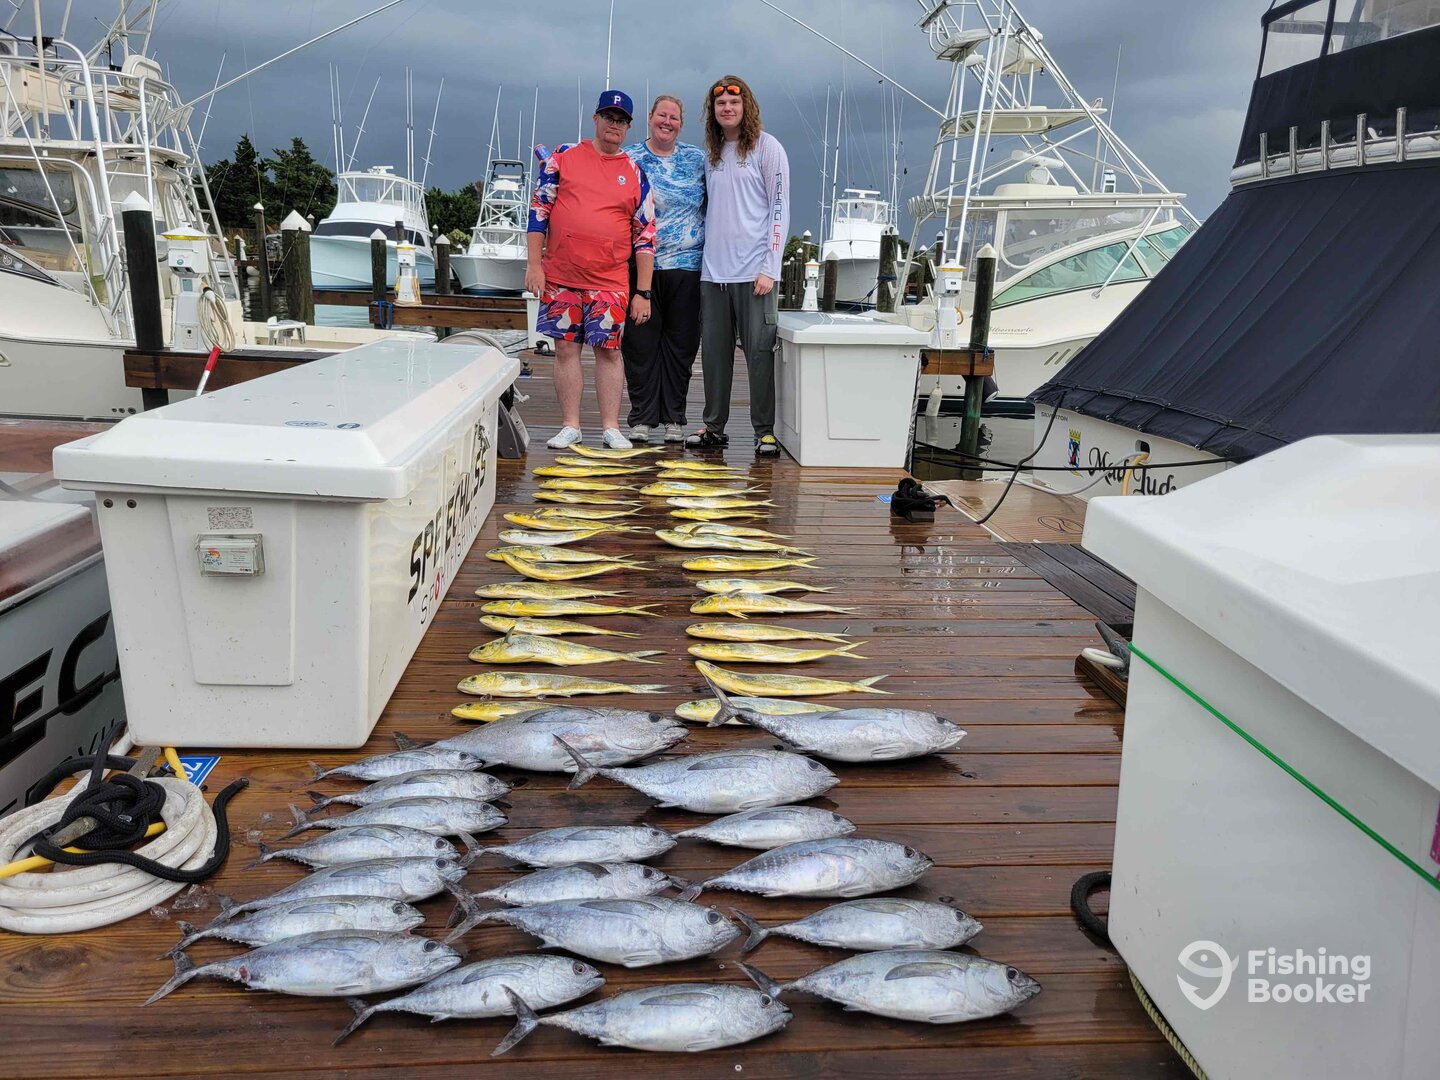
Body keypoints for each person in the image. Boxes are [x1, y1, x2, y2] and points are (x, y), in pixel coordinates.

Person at [527, 89, 656, 450]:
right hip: (561, 276)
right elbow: (539, 211)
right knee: (565, 349)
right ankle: (571, 425)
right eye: (608, 117)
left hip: (610, 281)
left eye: (621, 120)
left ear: (628, 127)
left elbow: (646, 235)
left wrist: (643, 293)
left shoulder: (635, 172)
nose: (614, 124)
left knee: (609, 351)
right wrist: (534, 265)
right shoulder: (563, 157)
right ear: (595, 119)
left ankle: (611, 427)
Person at [690, 75, 789, 457]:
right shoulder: (712, 154)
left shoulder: (768, 147)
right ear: (712, 110)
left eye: (734, 102)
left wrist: (770, 266)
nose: (727, 108)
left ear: (746, 106)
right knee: (715, 358)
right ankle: (714, 427)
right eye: (720, 103)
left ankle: (764, 432)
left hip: (755, 274)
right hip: (714, 274)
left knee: (759, 355)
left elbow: (779, 207)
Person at [621, 95, 706, 444]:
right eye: (662, 115)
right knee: (640, 344)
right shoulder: (629, 158)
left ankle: (673, 417)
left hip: (688, 267)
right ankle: (642, 417)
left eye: (674, 117)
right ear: (650, 117)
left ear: (681, 124)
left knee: (681, 345)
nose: (667, 122)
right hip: (642, 266)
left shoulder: (697, 159)